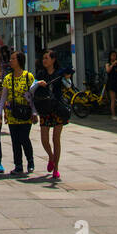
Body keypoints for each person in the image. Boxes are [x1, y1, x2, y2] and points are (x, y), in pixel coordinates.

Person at [33, 50, 74, 181]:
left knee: (56, 138)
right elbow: (31, 87)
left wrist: (67, 77)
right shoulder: (41, 74)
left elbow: (68, 86)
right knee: (44, 139)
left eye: (46, 58)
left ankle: (56, 168)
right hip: (45, 108)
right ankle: (51, 156)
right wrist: (39, 83)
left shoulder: (59, 73)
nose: (44, 60)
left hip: (57, 107)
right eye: (43, 58)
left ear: (53, 60)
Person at [2, 50, 36, 175]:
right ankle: (18, 165)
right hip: (12, 114)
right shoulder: (7, 78)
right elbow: (4, 97)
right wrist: (2, 112)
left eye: (13, 59)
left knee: (24, 138)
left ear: (19, 61)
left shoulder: (28, 76)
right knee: (15, 140)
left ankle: (30, 161)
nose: (10, 61)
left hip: (26, 113)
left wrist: (34, 113)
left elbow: (33, 97)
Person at [104, 49, 117, 118]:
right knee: (113, 99)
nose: (114, 57)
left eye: (115, 56)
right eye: (113, 56)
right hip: (111, 83)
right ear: (110, 56)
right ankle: (113, 114)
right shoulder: (108, 64)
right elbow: (108, 70)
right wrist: (112, 64)